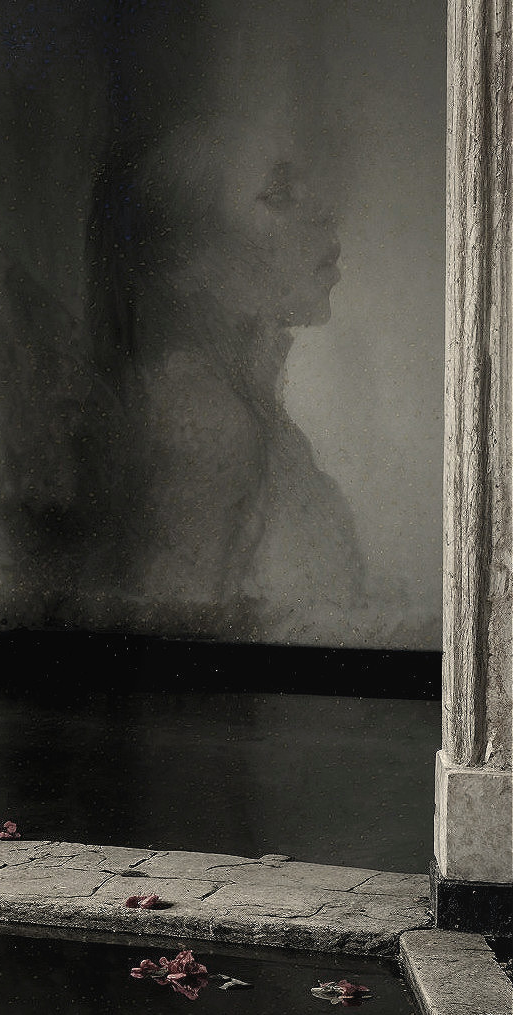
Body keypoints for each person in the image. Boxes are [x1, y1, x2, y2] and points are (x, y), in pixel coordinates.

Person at [83, 109, 362, 635]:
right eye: (278, 197)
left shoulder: (243, 405)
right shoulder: (204, 424)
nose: (326, 214)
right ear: (186, 258)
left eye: (306, 191)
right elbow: (176, 672)